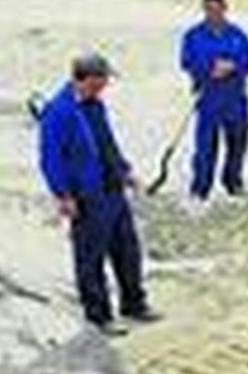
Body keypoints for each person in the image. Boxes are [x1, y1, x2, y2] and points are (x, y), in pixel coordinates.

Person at [37, 52, 159, 337]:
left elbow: (107, 143)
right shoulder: (58, 112)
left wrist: (125, 171)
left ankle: (134, 304)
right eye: (103, 79)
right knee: (90, 258)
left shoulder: (95, 105)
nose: (106, 85)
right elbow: (50, 159)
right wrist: (63, 195)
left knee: (128, 250)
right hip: (86, 195)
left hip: (112, 189)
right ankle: (99, 316)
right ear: (87, 78)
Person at [179, 0, 248, 203]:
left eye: (216, 9)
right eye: (208, 9)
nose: (213, 13)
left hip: (235, 99)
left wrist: (233, 66)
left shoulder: (238, 34)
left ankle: (233, 183)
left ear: (224, 8)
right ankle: (200, 189)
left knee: (238, 145)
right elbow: (185, 61)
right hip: (208, 100)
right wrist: (209, 68)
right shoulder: (193, 35)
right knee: (205, 148)